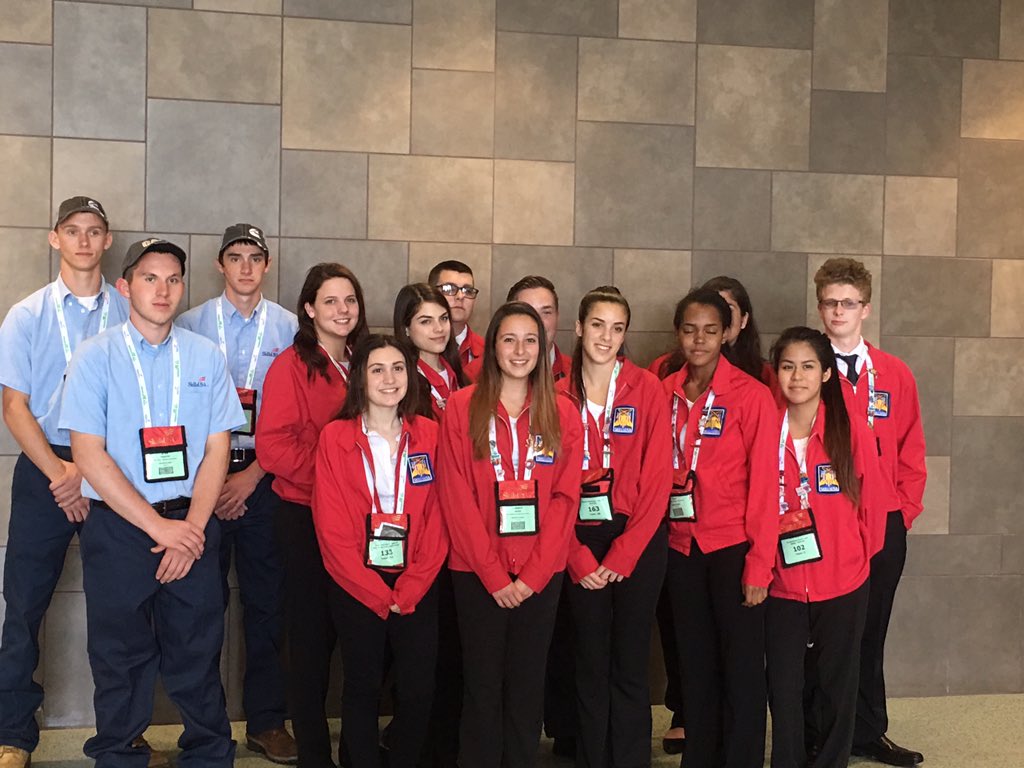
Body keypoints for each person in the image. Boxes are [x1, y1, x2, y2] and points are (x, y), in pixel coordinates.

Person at [60, 238, 243, 768]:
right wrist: (159, 531)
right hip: (118, 529)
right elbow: (88, 456)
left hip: (192, 523)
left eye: (173, 280)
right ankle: (117, 755)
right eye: (149, 278)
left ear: (184, 288)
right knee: (119, 655)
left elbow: (217, 448)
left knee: (198, 650)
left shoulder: (206, 356)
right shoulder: (95, 355)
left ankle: (209, 754)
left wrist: (189, 528)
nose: (162, 290)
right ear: (126, 286)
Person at [0, 197, 128, 768]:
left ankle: (124, 734)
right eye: (72, 231)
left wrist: (91, 470)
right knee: (23, 606)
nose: (83, 240)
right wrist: (61, 474)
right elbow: (13, 405)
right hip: (45, 468)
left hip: (111, 466)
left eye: (94, 231)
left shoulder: (128, 314)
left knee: (121, 607)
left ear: (106, 241)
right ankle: (12, 735)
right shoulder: (25, 315)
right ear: (55, 239)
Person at [437, 302, 582, 768]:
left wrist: (534, 575)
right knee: (481, 684)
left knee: (526, 684)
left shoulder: (562, 412)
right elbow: (455, 496)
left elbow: (564, 499)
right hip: (477, 572)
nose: (519, 350)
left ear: (543, 350)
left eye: (530, 340)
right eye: (508, 339)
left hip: (541, 575)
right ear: (492, 345)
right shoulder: (461, 408)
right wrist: (494, 574)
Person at [175, 224, 298, 763]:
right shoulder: (189, 324)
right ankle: (204, 730)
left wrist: (253, 475)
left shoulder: (293, 328)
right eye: (235, 257)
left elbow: (299, 417)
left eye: (255, 257)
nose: (245, 267)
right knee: (200, 607)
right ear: (220, 265)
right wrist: (217, 474)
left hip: (263, 480)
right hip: (203, 478)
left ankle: (267, 722)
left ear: (267, 265)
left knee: (267, 605)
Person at [313, 335, 448, 768]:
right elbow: (332, 529)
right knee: (361, 685)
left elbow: (440, 517)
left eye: (397, 368)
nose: (389, 379)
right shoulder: (336, 438)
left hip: (417, 582)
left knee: (417, 688)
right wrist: (374, 591)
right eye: (377, 369)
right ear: (360, 379)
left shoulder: (431, 434)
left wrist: (411, 586)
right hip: (356, 582)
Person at [813, 259, 926, 767]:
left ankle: (867, 730)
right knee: (823, 633)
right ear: (820, 307)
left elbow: (911, 450)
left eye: (848, 303)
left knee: (869, 630)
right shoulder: (804, 368)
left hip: (882, 522)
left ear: (866, 308)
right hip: (826, 525)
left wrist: (901, 511)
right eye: (830, 302)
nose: (839, 311)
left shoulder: (894, 374)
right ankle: (819, 731)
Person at [256, 263, 369, 768]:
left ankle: (359, 749)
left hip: (364, 520)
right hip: (305, 517)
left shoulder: (368, 362)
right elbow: (274, 447)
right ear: (308, 309)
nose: (342, 310)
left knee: (360, 635)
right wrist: (338, 475)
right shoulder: (291, 365)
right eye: (330, 301)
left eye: (350, 300)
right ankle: (316, 756)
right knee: (310, 640)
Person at [662, 288, 777, 768]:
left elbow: (768, 486)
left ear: (728, 333)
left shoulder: (752, 396)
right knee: (695, 664)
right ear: (678, 333)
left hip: (733, 548)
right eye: (690, 330)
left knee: (742, 668)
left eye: (711, 330)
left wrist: (760, 563)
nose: (699, 340)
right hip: (680, 546)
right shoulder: (661, 391)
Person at [559, 288, 672, 768]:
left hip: (637, 538)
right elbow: (545, 485)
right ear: (580, 328)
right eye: (598, 325)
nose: (606, 337)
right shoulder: (554, 388)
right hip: (576, 535)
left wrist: (625, 553)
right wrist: (576, 555)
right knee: (587, 658)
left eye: (617, 327)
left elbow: (658, 478)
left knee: (629, 660)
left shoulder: (646, 388)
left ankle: (628, 759)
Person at [766, 326, 885, 768]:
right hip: (781, 584)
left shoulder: (848, 429)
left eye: (808, 367)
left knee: (838, 683)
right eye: (787, 366)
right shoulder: (764, 428)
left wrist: (851, 558)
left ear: (827, 375)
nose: (797, 377)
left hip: (843, 579)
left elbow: (872, 508)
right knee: (785, 686)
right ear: (776, 373)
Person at [465, 276, 570, 383]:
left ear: (558, 316)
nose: (537, 322)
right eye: (526, 312)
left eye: (546, 313)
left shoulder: (575, 373)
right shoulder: (475, 373)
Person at [393, 282, 468, 420]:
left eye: (444, 318)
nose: (439, 328)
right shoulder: (401, 382)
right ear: (406, 329)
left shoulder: (460, 375)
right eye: (426, 321)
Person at [428, 260, 483, 369]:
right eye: (449, 289)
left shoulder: (488, 352)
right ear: (430, 294)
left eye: (467, 290)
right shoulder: (411, 349)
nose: (460, 296)